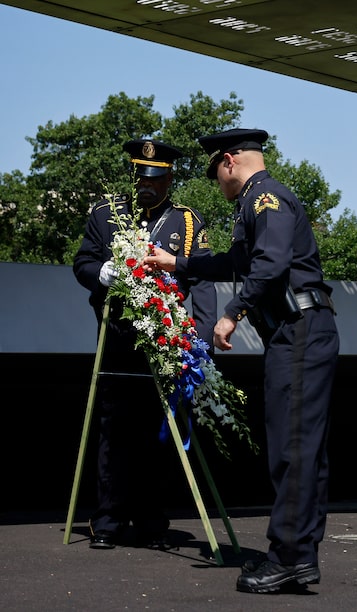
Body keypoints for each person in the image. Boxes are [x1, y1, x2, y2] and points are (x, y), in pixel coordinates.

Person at [144, 128, 340, 593]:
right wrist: (178, 264)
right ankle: (301, 556)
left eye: (217, 175)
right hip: (302, 332)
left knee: (292, 449)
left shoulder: (264, 198)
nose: (219, 184)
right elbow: (237, 261)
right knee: (306, 451)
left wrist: (231, 314)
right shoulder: (258, 199)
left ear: (229, 161)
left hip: (298, 332)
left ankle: (287, 556)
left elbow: (268, 266)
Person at [73, 139, 217, 550]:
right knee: (112, 432)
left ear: (169, 177)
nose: (146, 186)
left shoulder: (186, 222)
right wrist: (101, 272)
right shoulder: (107, 215)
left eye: (154, 179)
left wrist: (200, 343)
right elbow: (81, 262)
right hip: (117, 339)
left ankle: (152, 521)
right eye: (140, 177)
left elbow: (202, 282)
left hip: (165, 343)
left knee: (159, 434)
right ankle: (107, 521)